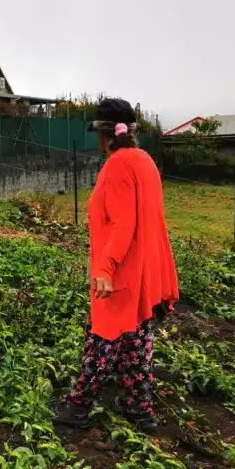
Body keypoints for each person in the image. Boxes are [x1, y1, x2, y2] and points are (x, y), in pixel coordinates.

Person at [54, 98, 179, 433]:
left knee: (103, 339)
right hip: (143, 272)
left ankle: (79, 407)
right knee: (136, 340)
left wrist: (106, 269)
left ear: (104, 135)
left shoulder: (116, 167)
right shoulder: (145, 161)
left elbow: (125, 224)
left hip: (120, 272)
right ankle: (139, 410)